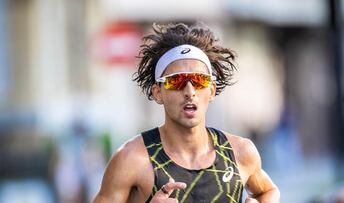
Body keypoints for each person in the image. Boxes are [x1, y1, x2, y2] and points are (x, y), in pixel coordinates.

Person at [93, 22, 280, 203]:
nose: (190, 91)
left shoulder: (240, 152)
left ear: (212, 91)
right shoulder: (132, 158)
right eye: (176, 81)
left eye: (199, 81)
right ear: (158, 93)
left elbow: (269, 192)